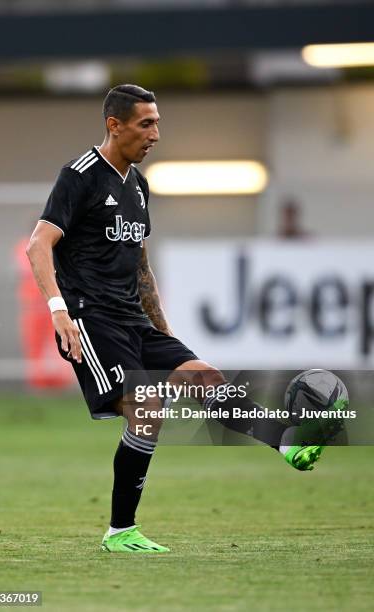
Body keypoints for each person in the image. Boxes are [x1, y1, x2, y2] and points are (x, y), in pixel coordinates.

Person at [26, 84, 325, 554]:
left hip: (134, 322)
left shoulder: (139, 187)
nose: (156, 134)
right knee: (147, 408)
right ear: (114, 125)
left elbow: (140, 267)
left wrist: (163, 335)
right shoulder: (80, 175)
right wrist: (59, 310)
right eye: (146, 123)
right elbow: (38, 244)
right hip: (92, 320)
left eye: (158, 122)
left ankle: (285, 442)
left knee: (205, 376)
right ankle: (120, 532)